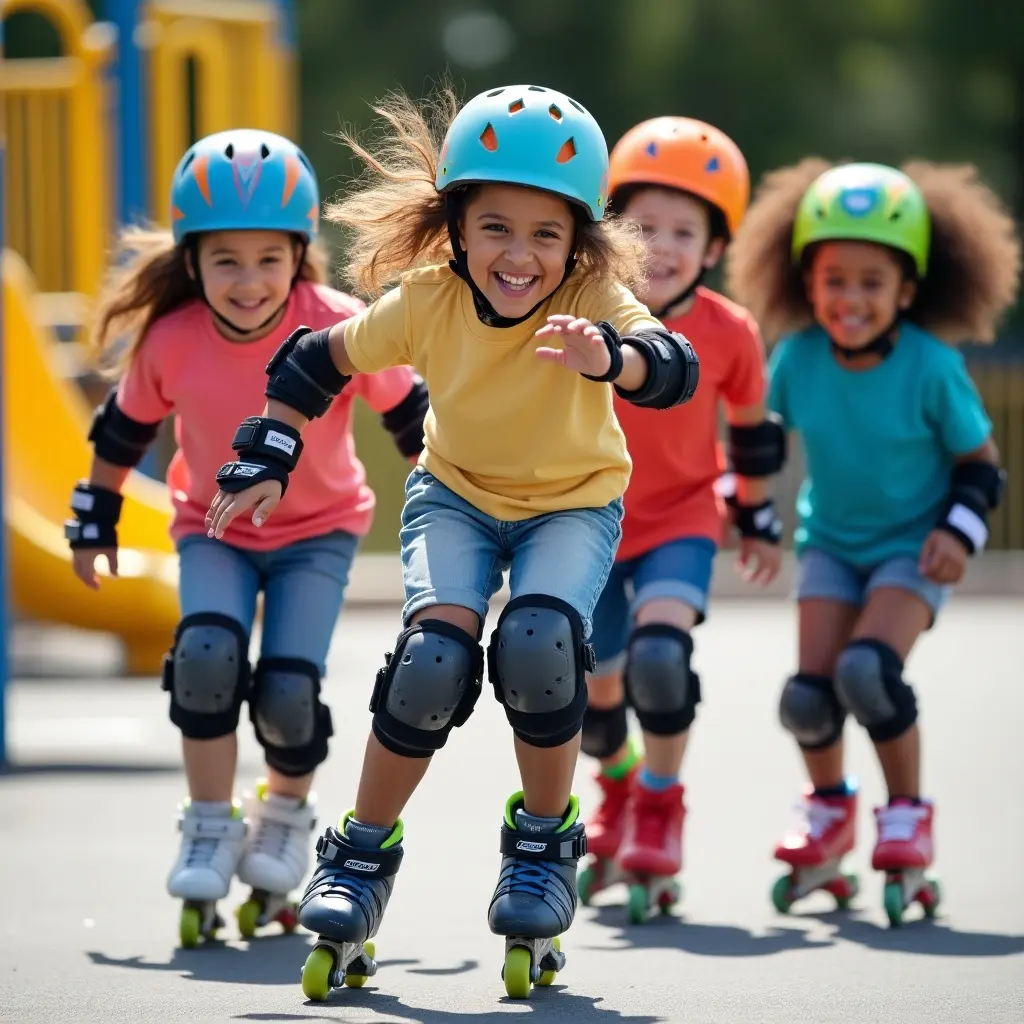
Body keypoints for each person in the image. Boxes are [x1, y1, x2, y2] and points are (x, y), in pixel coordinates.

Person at [204, 85, 699, 998]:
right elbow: (313, 359)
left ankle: (546, 850)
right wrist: (268, 447)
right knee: (432, 661)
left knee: (540, 645)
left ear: (579, 242)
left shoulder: (597, 297)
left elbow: (673, 366)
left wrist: (612, 358)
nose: (521, 254)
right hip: (457, 500)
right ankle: (357, 858)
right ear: (457, 227)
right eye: (497, 227)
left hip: (573, 505)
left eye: (546, 234)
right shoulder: (427, 300)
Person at [66, 129, 427, 947]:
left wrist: (452, 506)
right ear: (191, 262)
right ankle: (206, 823)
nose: (249, 281)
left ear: (301, 254)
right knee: (204, 661)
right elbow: (121, 435)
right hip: (213, 531)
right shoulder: (171, 339)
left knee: (288, 693)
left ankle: (284, 817)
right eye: (226, 260)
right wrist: (95, 518)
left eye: (271, 259)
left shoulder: (338, 324)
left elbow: (412, 420)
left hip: (319, 534)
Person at [726, 159, 1019, 925]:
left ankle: (906, 819)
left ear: (908, 292)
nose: (849, 299)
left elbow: (982, 468)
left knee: (869, 674)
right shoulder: (798, 358)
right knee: (808, 698)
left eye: (871, 282)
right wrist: (745, 509)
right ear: (805, 283)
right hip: (830, 544)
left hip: (910, 549)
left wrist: (960, 532)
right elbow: (757, 441)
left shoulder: (932, 367)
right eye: (833, 280)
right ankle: (827, 816)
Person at [576, 117, 784, 924]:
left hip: (682, 520)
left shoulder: (732, 332)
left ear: (716, 247)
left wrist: (757, 519)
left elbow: (754, 433)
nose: (661, 246)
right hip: (587, 520)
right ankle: (619, 782)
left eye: (683, 231)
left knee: (662, 660)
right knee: (592, 705)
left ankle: (659, 804)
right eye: (642, 227)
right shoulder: (583, 307)